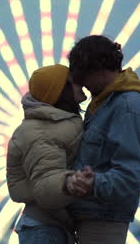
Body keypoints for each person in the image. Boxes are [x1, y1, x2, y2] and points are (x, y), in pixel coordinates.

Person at [65, 35, 140, 244]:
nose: (83, 87)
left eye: (83, 77)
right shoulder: (104, 104)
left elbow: (131, 177)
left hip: (104, 219)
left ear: (98, 69)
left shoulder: (128, 108)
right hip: (91, 214)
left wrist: (93, 183)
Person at [6, 64, 87, 244]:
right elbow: (47, 183)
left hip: (49, 227)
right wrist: (69, 183)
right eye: (75, 80)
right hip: (45, 230)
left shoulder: (52, 125)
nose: (82, 81)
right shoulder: (43, 133)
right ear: (60, 90)